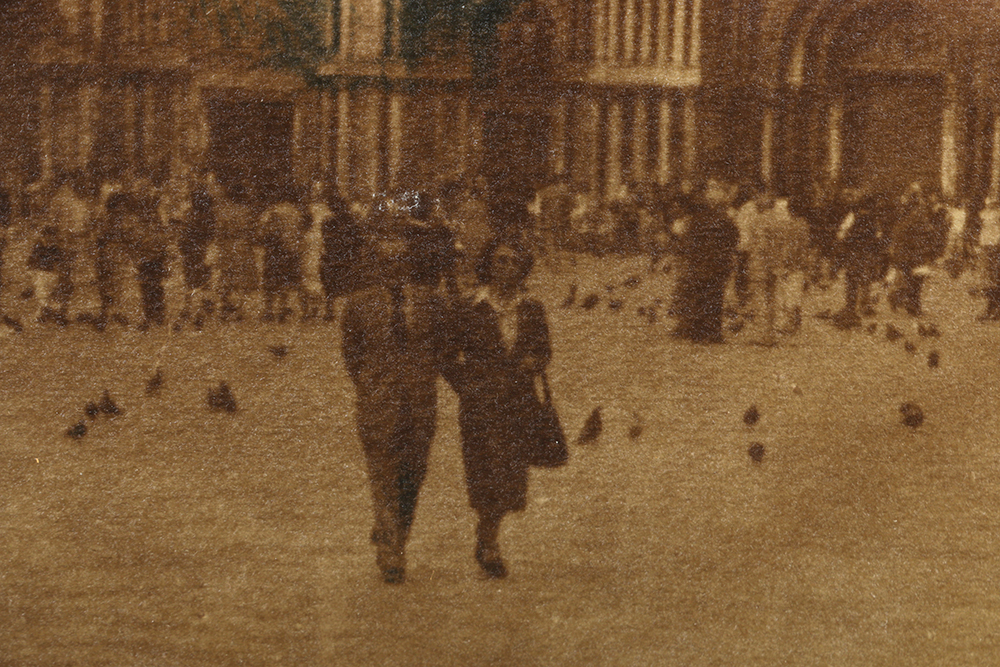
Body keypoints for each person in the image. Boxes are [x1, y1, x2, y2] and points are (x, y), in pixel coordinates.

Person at [439, 235, 552, 579]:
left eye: (513, 262)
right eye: (500, 260)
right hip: (481, 405)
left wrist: (535, 360)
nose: (506, 268)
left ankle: (489, 530)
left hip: (519, 403)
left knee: (511, 475)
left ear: (523, 268)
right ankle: (489, 541)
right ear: (488, 264)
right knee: (486, 470)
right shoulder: (469, 306)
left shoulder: (531, 308)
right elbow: (446, 356)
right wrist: (468, 388)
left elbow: (545, 350)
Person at [341, 227, 449, 584]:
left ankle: (396, 531)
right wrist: (372, 383)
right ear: (374, 264)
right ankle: (392, 550)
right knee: (382, 472)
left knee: (413, 474)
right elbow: (352, 355)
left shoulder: (433, 302)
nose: (393, 267)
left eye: (400, 260)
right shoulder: (357, 305)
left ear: (410, 264)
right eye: (385, 260)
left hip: (420, 400)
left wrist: (423, 375)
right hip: (378, 401)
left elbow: (442, 346)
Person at [671, 179, 740, 344]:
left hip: (699, 263)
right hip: (718, 264)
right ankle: (713, 332)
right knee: (715, 298)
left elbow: (688, 242)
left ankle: (697, 332)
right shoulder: (725, 220)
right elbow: (734, 239)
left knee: (700, 297)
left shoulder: (697, 221)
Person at [977, 198, 1000, 320]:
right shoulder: (984, 213)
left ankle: (994, 309)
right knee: (988, 278)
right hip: (986, 245)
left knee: (995, 277)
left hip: (996, 246)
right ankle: (990, 308)